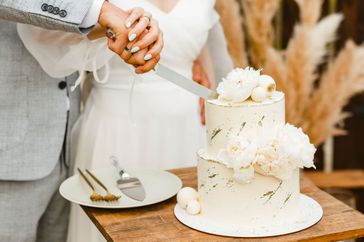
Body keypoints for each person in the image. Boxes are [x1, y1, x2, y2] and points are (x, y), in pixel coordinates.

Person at [18, 0, 233, 241]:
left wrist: (210, 91)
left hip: (188, 132)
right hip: (117, 131)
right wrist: (108, 25)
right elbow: (46, 33)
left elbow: (203, 47)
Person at [0, 1, 163, 241]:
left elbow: (62, 34)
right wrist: (103, 11)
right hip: (9, 149)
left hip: (68, 149)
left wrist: (130, 29)